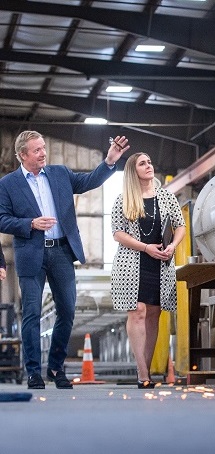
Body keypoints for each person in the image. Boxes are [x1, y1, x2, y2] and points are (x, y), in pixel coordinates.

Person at [0, 131, 128, 389]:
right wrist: (30, 223)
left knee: (67, 311)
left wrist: (110, 162)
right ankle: (34, 372)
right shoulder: (8, 184)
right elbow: (1, 218)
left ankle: (56, 368)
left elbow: (89, 181)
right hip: (30, 253)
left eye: (44, 147)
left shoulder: (60, 173)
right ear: (23, 155)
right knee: (32, 314)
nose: (43, 153)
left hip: (61, 252)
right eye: (37, 150)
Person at [110, 152, 185, 389]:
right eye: (143, 163)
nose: (149, 166)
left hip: (160, 263)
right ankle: (143, 373)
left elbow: (180, 225)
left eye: (150, 162)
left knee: (154, 313)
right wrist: (145, 248)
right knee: (138, 312)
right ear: (134, 171)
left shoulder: (166, 197)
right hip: (132, 263)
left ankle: (147, 369)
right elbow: (118, 233)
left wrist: (172, 246)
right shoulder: (124, 199)